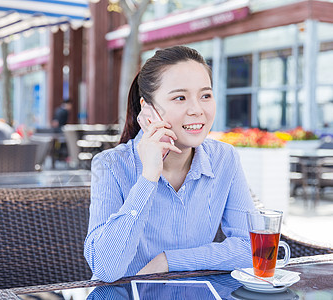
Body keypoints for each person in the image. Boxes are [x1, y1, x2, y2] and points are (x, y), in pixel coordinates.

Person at [84, 46, 255, 283]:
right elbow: (105, 269)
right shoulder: (111, 165)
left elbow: (252, 249)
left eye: (205, 95)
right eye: (180, 98)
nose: (197, 110)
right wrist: (148, 177)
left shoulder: (224, 158)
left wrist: (168, 262)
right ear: (148, 110)